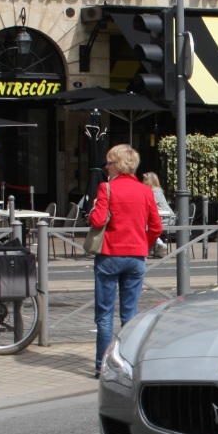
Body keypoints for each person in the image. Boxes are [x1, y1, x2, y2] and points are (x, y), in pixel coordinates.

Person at [89, 143, 163, 377]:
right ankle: (127, 363)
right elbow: (156, 227)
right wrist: (144, 242)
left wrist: (92, 211)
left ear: (118, 165)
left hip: (110, 255)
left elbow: (98, 221)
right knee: (130, 315)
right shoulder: (145, 191)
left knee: (104, 314)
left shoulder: (106, 188)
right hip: (136, 257)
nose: (106, 167)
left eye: (109, 163)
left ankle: (102, 366)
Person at [141, 171, 173, 258]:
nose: (142, 182)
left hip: (166, 218)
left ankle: (159, 244)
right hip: (161, 217)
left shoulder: (154, 192)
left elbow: (150, 206)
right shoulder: (155, 191)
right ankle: (155, 247)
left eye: (144, 180)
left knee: (143, 226)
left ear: (149, 181)